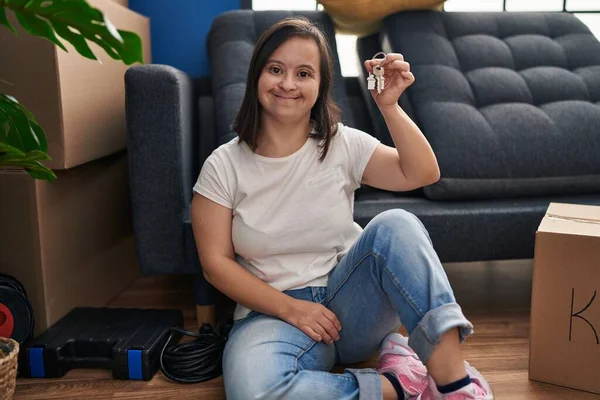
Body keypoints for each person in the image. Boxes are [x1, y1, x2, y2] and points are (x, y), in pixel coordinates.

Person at [191, 16, 493, 400]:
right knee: (252, 391)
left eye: (303, 73)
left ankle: (454, 385)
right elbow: (215, 264)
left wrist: (389, 106)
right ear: (257, 76)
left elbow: (421, 172)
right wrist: (291, 309)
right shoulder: (224, 164)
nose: (287, 83)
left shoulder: (341, 144)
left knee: (396, 224)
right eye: (275, 69)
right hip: (269, 314)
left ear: (320, 86)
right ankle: (400, 386)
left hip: (352, 304)